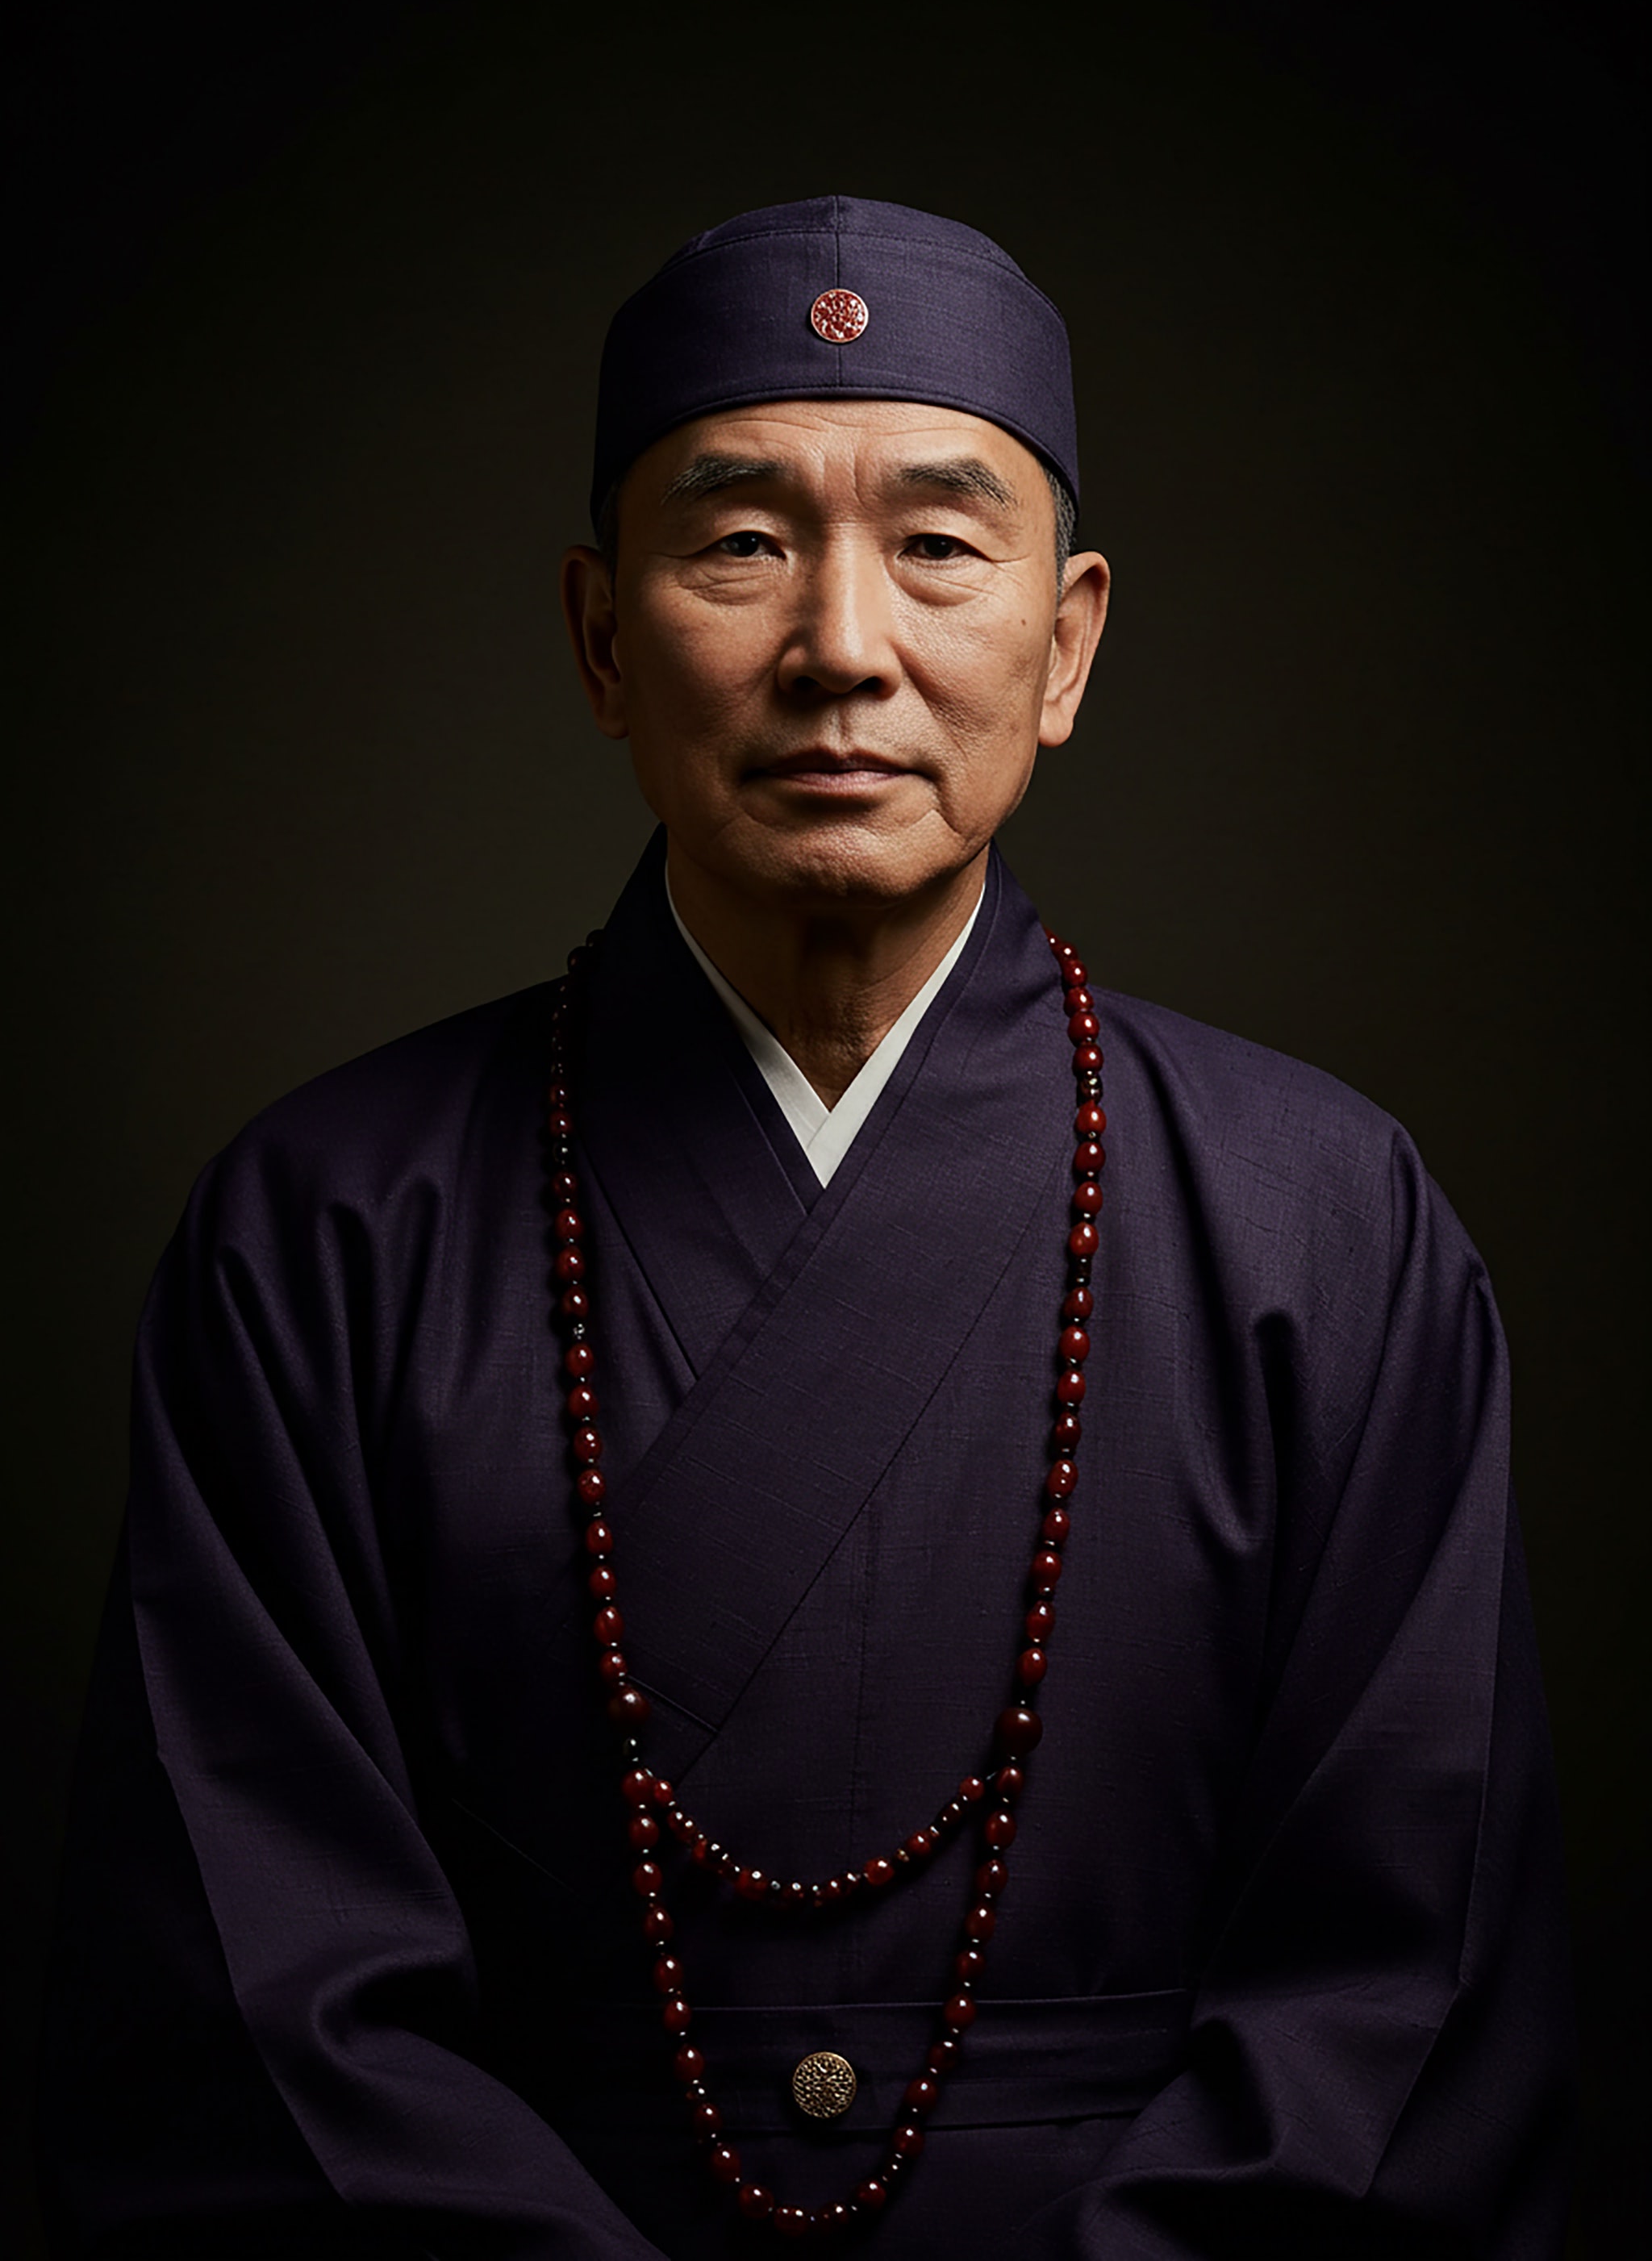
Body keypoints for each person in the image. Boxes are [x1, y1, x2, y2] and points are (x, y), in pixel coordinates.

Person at [40, 196, 1574, 2258]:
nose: (840, 641)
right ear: (601, 636)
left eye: (939, 542)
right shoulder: (322, 1226)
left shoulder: (1324, 1220)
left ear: (1069, 639)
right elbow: (253, 1999)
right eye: (739, 540)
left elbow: (1408, 1989)